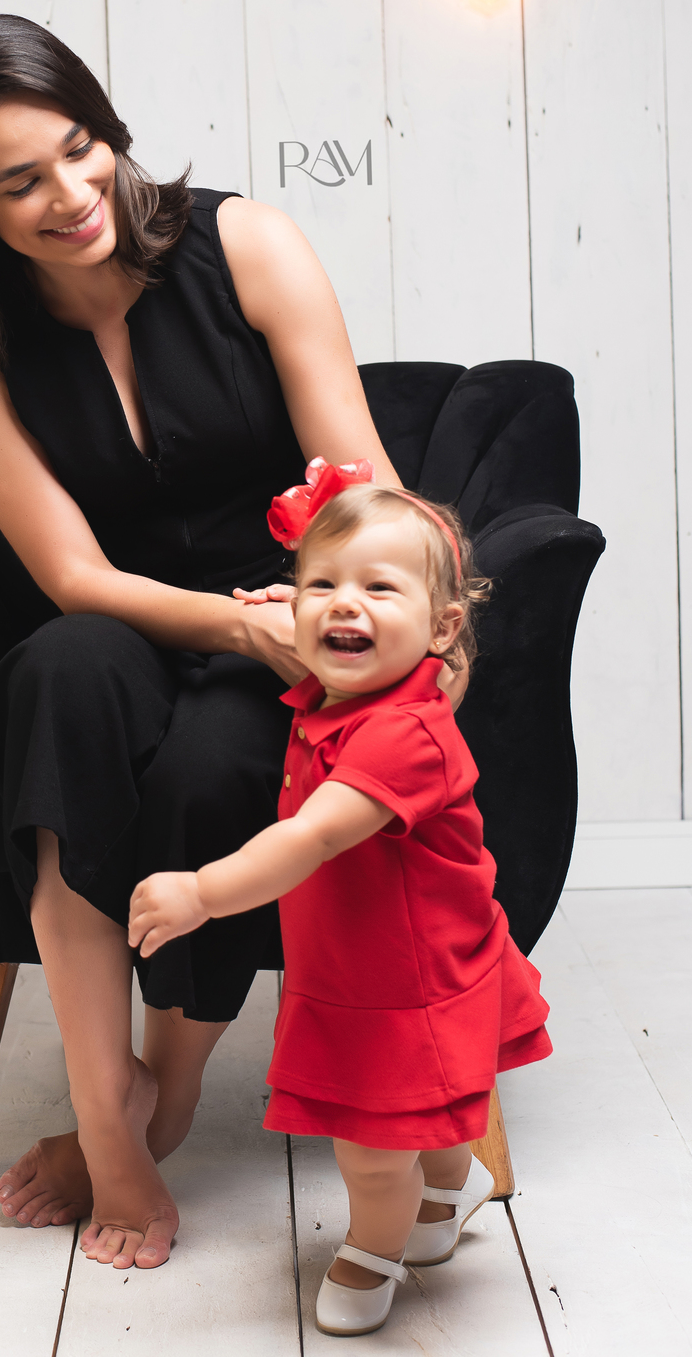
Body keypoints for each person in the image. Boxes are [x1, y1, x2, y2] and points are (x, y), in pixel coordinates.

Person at [0, 12, 468, 1273]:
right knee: (58, 681)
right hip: (124, 621)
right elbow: (73, 574)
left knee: (207, 766)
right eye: (21, 182)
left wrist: (318, 627)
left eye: (82, 148)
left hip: (301, 623)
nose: (73, 194)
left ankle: (166, 1093)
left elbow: (365, 493)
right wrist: (228, 624)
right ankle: (107, 1117)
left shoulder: (248, 244)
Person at [128, 468, 551, 1335]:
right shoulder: (342, 695)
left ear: (443, 628)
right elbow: (335, 616)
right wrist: (313, 604)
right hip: (365, 964)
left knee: (373, 1148)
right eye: (322, 584)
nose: (343, 605)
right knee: (433, 1109)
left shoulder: (405, 735)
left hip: (412, 979)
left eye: (378, 589)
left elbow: (311, 837)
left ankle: (371, 1248)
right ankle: (451, 1188)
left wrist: (201, 891)